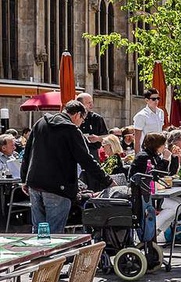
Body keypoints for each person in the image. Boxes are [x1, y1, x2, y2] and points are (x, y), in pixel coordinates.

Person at [20, 100, 113, 234]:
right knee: (54, 234)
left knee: (39, 232)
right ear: (77, 115)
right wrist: (107, 181)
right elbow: (86, 160)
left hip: (35, 183)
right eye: (83, 119)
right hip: (58, 187)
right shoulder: (71, 130)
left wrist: (25, 179)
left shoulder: (40, 122)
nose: (82, 123)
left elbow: (27, 152)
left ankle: (39, 255)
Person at [76, 93, 108, 160]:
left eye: (92, 102)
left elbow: (107, 137)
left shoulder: (97, 118)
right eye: (88, 103)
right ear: (80, 104)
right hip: (76, 151)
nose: (91, 105)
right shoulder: (74, 117)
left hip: (93, 151)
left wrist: (97, 138)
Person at [132, 88, 165, 153]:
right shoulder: (141, 115)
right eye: (153, 99)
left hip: (158, 150)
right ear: (147, 100)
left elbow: (160, 131)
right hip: (146, 150)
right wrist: (137, 156)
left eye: (158, 98)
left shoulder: (161, 112)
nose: (156, 101)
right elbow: (137, 139)